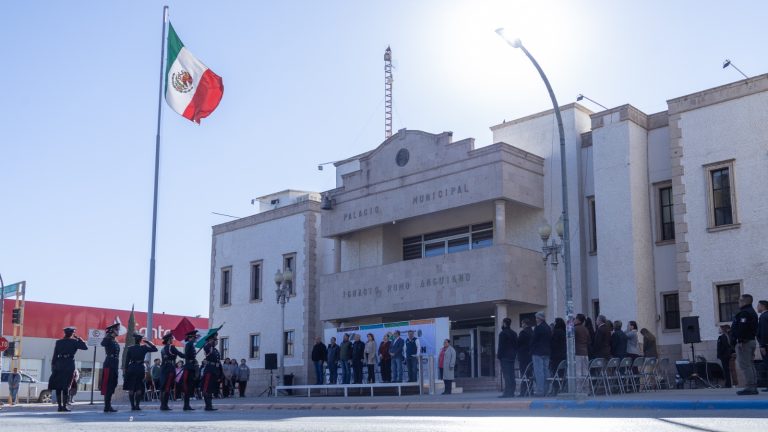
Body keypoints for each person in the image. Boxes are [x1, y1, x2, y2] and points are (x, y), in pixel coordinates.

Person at [48, 326, 88, 412]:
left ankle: (59, 406)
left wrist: (53, 366)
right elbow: (85, 347)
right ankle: (64, 406)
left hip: (59, 364)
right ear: (72, 334)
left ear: (65, 333)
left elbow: (55, 355)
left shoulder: (59, 342)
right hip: (69, 365)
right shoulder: (74, 342)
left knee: (58, 386)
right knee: (66, 386)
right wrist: (79, 338)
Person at [730, 293, 759, 395]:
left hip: (745, 342)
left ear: (744, 301)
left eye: (739, 300)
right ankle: (753, 386)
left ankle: (750, 387)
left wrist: (741, 340)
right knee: (750, 364)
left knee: (745, 365)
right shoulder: (751, 312)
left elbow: (743, 328)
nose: (738, 302)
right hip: (750, 340)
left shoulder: (745, 313)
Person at [123, 333, 158, 411]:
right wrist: (148, 342)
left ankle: (132, 406)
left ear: (134, 340)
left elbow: (127, 361)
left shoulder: (130, 348)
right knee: (139, 387)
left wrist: (125, 371)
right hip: (140, 368)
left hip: (131, 368)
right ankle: (137, 406)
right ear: (140, 340)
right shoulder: (144, 347)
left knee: (131, 388)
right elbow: (155, 349)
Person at [159, 332, 185, 410]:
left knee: (163, 387)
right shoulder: (171, 347)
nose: (172, 340)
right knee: (167, 387)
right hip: (170, 369)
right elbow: (180, 354)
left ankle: (162, 405)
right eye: (171, 339)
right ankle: (164, 405)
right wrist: (189, 355)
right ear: (168, 340)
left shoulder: (163, 349)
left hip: (163, 369)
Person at [99, 323, 120, 412]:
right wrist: (108, 335)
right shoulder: (108, 339)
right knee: (108, 385)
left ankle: (108, 406)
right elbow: (103, 343)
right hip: (109, 363)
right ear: (112, 330)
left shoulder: (114, 341)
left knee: (112, 384)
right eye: (117, 329)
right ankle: (107, 406)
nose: (118, 331)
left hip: (114, 363)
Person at [531, 311, 552, 397]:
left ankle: (540, 390)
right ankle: (546, 390)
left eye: (536, 318)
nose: (536, 319)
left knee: (539, 372)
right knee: (546, 371)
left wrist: (531, 349)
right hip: (546, 352)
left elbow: (534, 340)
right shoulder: (548, 327)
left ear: (540, 318)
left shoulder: (538, 328)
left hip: (538, 352)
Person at [496, 317, 518, 398]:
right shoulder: (514, 333)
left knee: (506, 375)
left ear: (505, 323)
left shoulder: (502, 334)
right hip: (512, 356)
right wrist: (514, 354)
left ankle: (507, 392)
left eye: (502, 323)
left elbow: (501, 346)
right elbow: (516, 345)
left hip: (504, 357)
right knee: (511, 374)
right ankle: (512, 391)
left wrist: (499, 356)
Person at [201, 332, 223, 410]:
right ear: (210, 340)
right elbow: (206, 347)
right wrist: (208, 342)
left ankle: (209, 405)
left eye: (216, 340)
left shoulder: (215, 350)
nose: (216, 342)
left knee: (210, 388)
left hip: (214, 371)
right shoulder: (208, 347)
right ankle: (208, 406)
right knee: (206, 388)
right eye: (215, 340)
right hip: (209, 370)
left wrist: (220, 372)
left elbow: (218, 361)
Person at [181, 329, 200, 411]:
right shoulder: (189, 344)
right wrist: (191, 360)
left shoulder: (191, 345)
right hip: (188, 367)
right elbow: (186, 355)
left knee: (190, 386)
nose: (195, 339)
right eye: (194, 337)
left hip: (191, 367)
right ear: (190, 338)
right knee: (187, 386)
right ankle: (186, 405)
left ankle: (187, 405)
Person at [517, 319, 533, 397]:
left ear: (525, 324)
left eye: (522, 323)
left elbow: (518, 343)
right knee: (530, 374)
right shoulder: (532, 332)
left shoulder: (523, 333)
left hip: (523, 356)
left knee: (523, 374)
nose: (521, 325)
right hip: (530, 356)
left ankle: (523, 392)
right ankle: (530, 390)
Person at [550, 318, 567, 388]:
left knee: (555, 372)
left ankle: (556, 388)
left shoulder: (556, 332)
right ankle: (562, 387)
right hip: (563, 355)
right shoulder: (564, 331)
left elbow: (553, 344)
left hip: (556, 356)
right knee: (562, 373)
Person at [717, 324, 735, 388]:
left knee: (726, 370)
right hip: (729, 354)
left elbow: (720, 348)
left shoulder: (721, 337)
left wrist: (719, 355)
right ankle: (732, 383)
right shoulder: (730, 336)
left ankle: (728, 384)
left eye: (721, 328)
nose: (720, 330)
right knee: (731, 369)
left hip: (724, 355)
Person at [574, 314, 590, 379]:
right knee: (585, 372)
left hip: (577, 352)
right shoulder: (585, 329)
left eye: (575, 319)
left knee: (578, 372)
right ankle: (586, 384)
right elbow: (589, 340)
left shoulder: (575, 328)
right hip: (585, 352)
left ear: (578, 320)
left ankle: (579, 385)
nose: (574, 320)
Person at [757, 300, 768, 392]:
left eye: (758, 305)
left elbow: (764, 331)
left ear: (763, 306)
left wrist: (763, 345)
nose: (757, 307)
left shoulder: (764, 317)